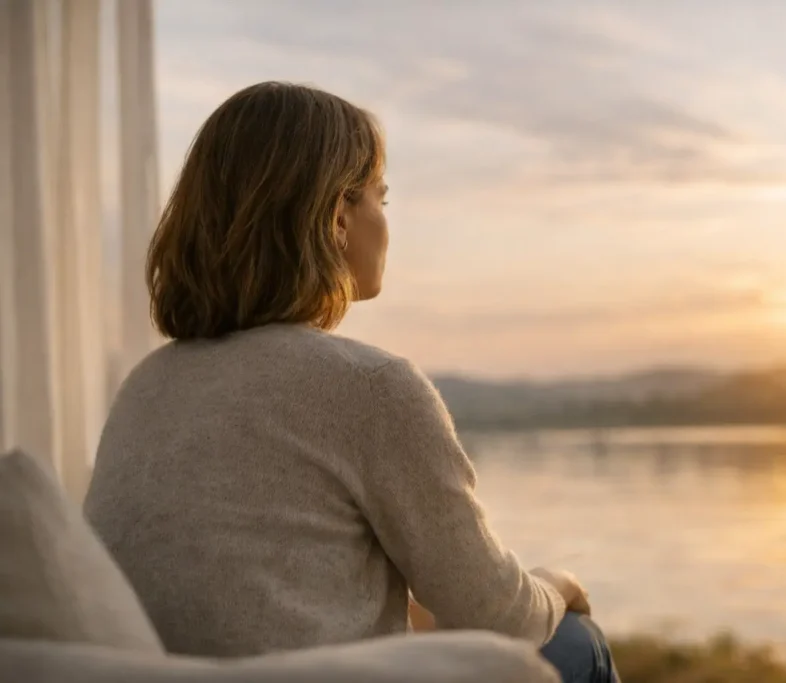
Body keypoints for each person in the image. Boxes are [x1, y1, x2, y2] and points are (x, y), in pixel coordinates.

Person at [84, 82, 618, 683]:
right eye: (380, 199)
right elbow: (499, 616)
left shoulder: (144, 388)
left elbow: (270, 597)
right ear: (338, 215)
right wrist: (556, 583)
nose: (385, 224)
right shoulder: (371, 388)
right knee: (576, 642)